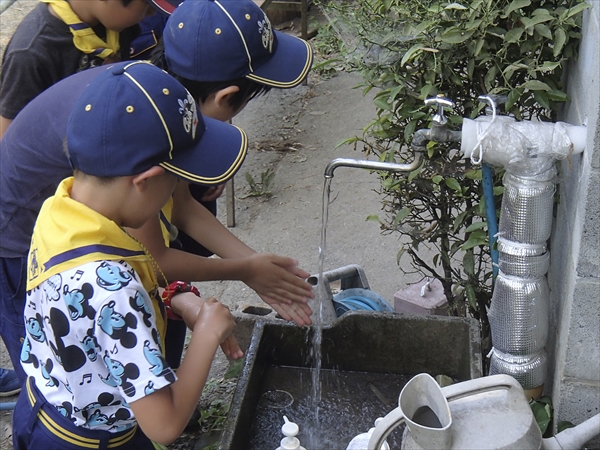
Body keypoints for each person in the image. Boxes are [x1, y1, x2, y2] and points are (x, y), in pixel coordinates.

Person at [12, 60, 244, 450]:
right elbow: (165, 426)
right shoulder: (113, 290)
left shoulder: (63, 209)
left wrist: (174, 297)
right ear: (148, 181)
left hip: (45, 408)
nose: (176, 192)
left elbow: (87, 317)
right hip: (95, 439)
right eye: (177, 179)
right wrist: (205, 335)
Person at [0, 0, 181, 138]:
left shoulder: (116, 24)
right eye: (145, 5)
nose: (150, 13)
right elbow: (8, 138)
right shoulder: (31, 54)